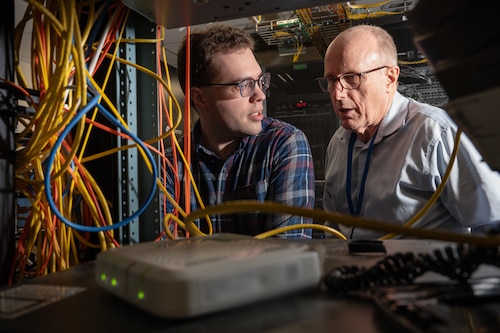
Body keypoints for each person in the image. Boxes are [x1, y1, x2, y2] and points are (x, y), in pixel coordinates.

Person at [319, 24, 500, 239]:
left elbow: (491, 222)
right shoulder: (338, 143)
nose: (338, 94)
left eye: (351, 78)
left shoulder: (435, 133)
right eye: (331, 80)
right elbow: (333, 229)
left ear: (390, 78)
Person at [163, 24, 315, 239]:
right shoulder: (170, 164)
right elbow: (158, 257)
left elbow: (287, 257)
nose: (260, 94)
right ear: (200, 97)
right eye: (244, 85)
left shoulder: (283, 144)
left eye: (260, 81)